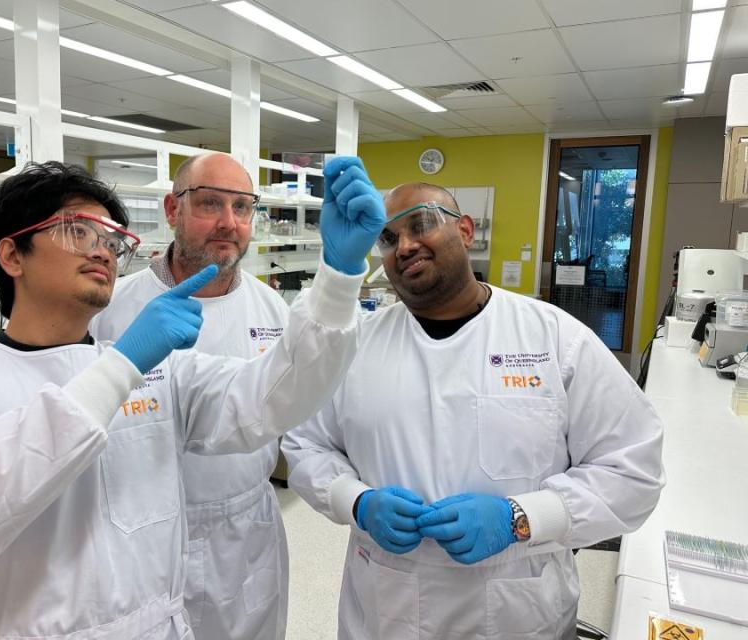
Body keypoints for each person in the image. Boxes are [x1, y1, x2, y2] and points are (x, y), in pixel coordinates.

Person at [0, 158, 385, 640]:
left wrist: (339, 278)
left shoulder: (166, 375)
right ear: (10, 254)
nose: (101, 250)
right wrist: (123, 364)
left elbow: (273, 395)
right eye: (78, 230)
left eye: (113, 239)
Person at [282, 182, 665, 639]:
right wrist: (357, 502)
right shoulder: (355, 346)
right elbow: (305, 443)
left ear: (465, 231)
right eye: (387, 238)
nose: (404, 245)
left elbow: (633, 470)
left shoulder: (554, 340)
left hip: (517, 611)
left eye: (421, 223)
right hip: (386, 608)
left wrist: (522, 517)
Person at [92, 152, 290, 640]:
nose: (228, 222)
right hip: (140, 534)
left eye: (242, 207)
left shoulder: (272, 309)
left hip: (246, 532)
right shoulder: (112, 306)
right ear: (172, 209)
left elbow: (297, 423)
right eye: (209, 204)